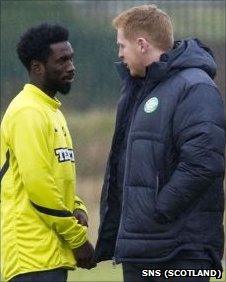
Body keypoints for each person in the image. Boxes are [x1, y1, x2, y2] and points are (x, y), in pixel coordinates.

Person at [95, 5, 225, 282]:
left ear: (142, 44)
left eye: (122, 45)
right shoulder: (136, 89)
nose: (119, 54)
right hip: (144, 249)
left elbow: (204, 161)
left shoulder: (194, 87)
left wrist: (158, 210)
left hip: (181, 252)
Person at [0, 23, 96, 282]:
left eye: (72, 58)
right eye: (62, 60)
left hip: (49, 255)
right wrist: (77, 240)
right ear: (37, 67)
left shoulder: (51, 111)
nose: (71, 66)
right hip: (32, 259)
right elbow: (39, 187)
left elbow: (55, 177)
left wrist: (78, 207)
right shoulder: (27, 112)